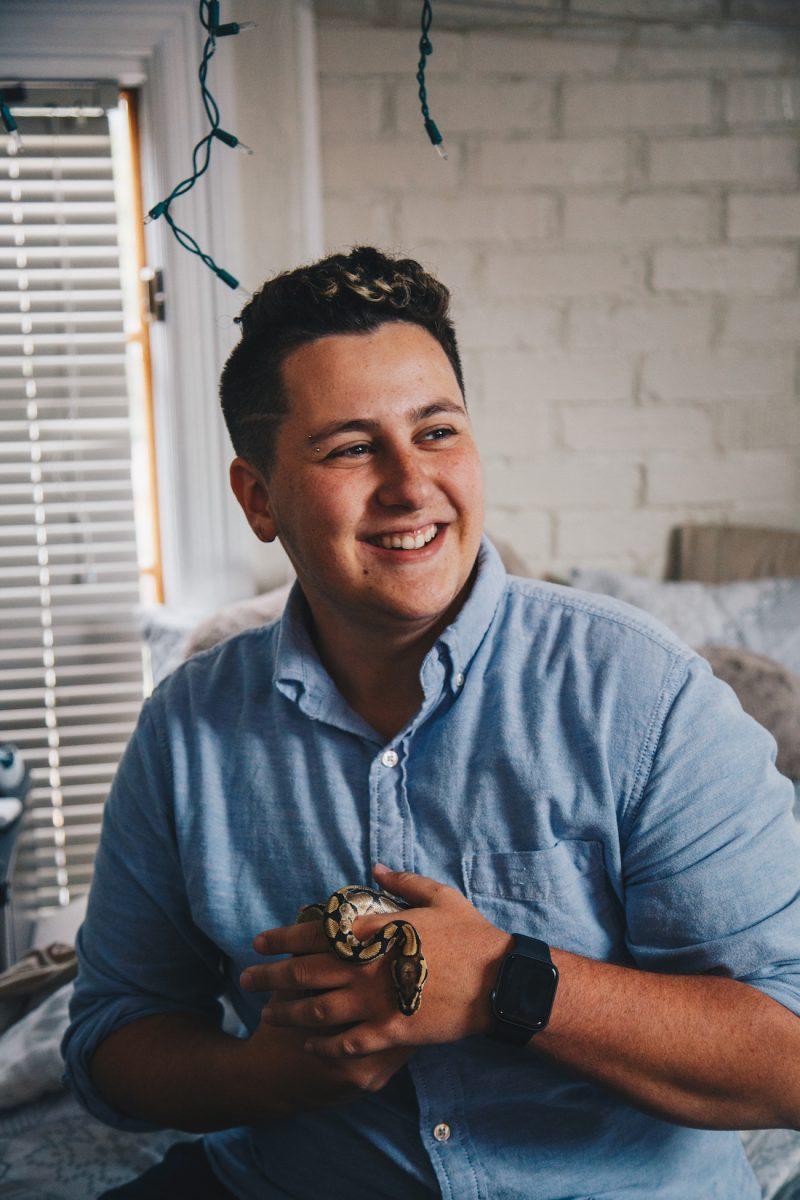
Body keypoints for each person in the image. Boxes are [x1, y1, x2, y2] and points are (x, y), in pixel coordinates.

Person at [62, 246, 800, 1200]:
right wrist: (273, 1077)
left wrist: (506, 982)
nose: (412, 486)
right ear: (259, 499)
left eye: (438, 431)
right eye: (352, 448)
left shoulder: (644, 695)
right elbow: (110, 1040)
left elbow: (787, 1057)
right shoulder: (185, 730)